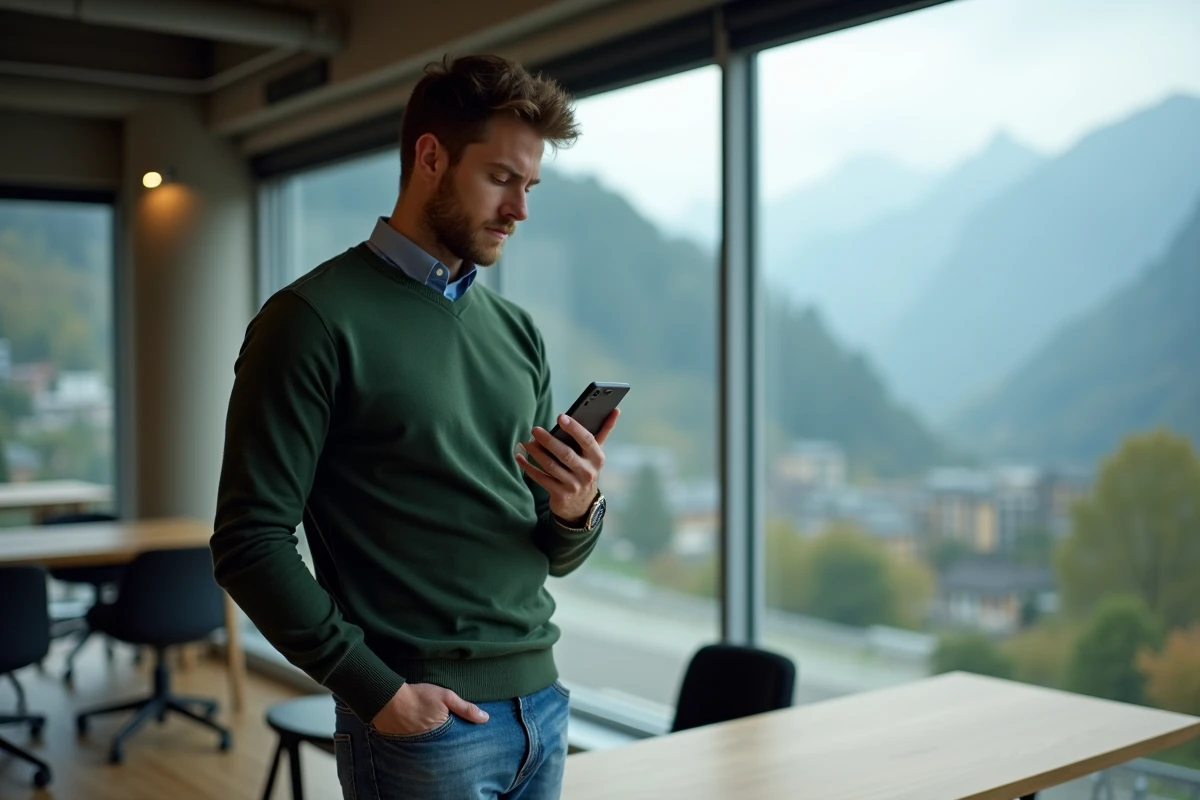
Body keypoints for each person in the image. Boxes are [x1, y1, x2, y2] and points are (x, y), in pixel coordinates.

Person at [211, 53, 619, 800]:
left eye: (529, 187)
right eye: (501, 179)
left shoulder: (518, 332)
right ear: (431, 157)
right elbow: (248, 544)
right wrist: (379, 695)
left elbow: (548, 551)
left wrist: (575, 509)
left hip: (544, 707)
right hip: (421, 723)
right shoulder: (309, 323)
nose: (520, 209)